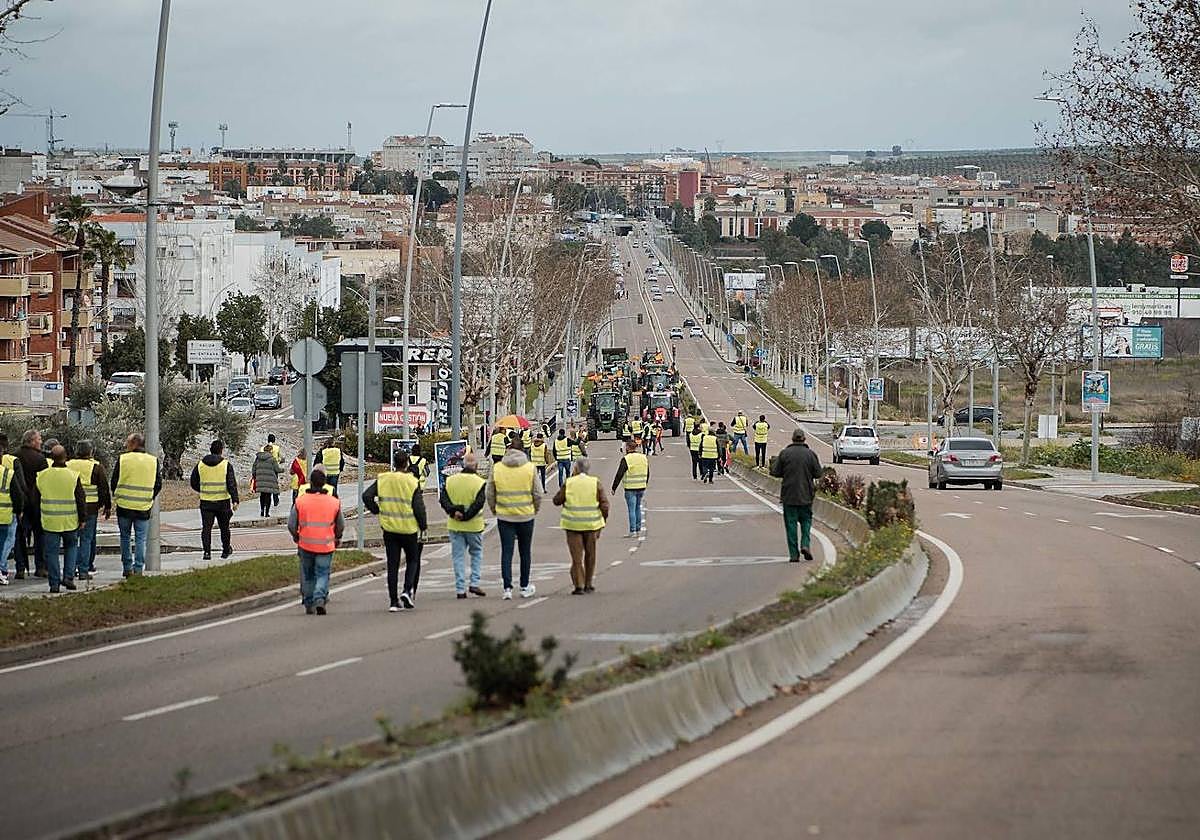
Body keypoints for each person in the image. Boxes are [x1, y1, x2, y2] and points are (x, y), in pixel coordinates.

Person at [364, 448, 427, 611]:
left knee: (393, 564)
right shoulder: (412, 481)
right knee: (413, 560)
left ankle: (393, 601)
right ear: (407, 464)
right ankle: (407, 590)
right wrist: (423, 525)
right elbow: (418, 507)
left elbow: (366, 495)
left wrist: (376, 510)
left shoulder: (383, 479)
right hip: (408, 528)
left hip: (389, 528)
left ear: (393, 463)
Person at [487, 438, 541, 599]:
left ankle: (507, 588)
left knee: (506, 551)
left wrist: (495, 509)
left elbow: (489, 493)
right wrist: (534, 510)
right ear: (523, 451)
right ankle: (524, 587)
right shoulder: (529, 468)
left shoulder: (497, 468)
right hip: (526, 515)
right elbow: (537, 493)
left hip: (505, 516)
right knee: (525, 552)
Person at [288, 467, 344, 614]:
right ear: (324, 483)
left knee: (308, 574)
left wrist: (296, 535)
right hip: (326, 545)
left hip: (305, 544)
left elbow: (291, 524)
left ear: (310, 483)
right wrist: (337, 537)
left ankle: (308, 601)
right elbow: (340, 525)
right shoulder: (333, 502)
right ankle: (319, 597)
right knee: (322, 573)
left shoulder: (300, 501)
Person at [32, 444, 86, 593]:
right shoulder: (73, 475)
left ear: (51, 458)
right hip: (70, 521)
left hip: (50, 521)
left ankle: (54, 584)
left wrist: (37, 519)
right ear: (65, 458)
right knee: (72, 547)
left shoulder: (42, 476)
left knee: (51, 553)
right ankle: (68, 577)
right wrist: (83, 518)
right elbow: (80, 499)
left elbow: (35, 500)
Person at [553, 457, 609, 595]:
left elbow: (557, 500)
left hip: (572, 525)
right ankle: (589, 584)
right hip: (591, 524)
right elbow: (604, 504)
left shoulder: (569, 483)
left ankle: (579, 585)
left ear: (576, 469)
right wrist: (603, 520)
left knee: (576, 557)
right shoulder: (595, 483)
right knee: (590, 555)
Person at [111, 433, 162, 577]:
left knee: (125, 537)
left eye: (128, 442)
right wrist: (149, 497)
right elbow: (158, 483)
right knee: (141, 539)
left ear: (134, 443)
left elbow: (114, 481)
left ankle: (127, 567)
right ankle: (138, 568)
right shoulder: (153, 461)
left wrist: (118, 495)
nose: (126, 445)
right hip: (143, 506)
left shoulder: (123, 459)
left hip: (124, 505)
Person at [439, 451, 487, 600]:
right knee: (476, 554)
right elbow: (478, 503)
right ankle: (474, 582)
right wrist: (466, 516)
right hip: (474, 525)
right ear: (476, 466)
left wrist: (454, 513)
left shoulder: (451, 481)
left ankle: (460, 588)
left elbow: (444, 500)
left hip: (455, 525)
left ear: (462, 465)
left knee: (458, 557)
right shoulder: (479, 483)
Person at [770, 428, 822, 563]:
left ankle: (794, 555)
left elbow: (775, 472)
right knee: (806, 521)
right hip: (806, 495)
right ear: (804, 439)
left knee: (791, 524)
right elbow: (818, 473)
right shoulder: (811, 454)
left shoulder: (785, 454)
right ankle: (805, 544)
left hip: (789, 495)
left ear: (792, 439)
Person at [66, 440, 111, 582]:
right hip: (90, 508)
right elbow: (104, 488)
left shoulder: (68, 464)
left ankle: (71, 569)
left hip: (71, 506)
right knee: (87, 539)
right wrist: (107, 506)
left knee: (73, 539)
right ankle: (84, 569)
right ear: (91, 452)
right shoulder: (96, 467)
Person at [189, 439, 239, 561]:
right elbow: (231, 484)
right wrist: (235, 499)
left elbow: (193, 482)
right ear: (221, 450)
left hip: (206, 502)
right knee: (224, 528)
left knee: (206, 528)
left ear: (210, 449)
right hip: (223, 502)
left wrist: (203, 490)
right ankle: (226, 550)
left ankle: (207, 552)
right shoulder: (226, 464)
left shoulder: (200, 464)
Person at [15, 429, 47, 579]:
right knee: (40, 536)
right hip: (37, 502)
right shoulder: (40, 459)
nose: (41, 441)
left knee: (20, 535)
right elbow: (45, 481)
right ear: (32, 441)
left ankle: (20, 567)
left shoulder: (15, 456)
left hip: (20, 501)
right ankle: (40, 566)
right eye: (39, 439)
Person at [611, 438, 649, 538]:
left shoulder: (626, 459)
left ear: (627, 447)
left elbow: (619, 474)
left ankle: (633, 531)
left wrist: (614, 487)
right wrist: (645, 483)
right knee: (637, 508)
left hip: (630, 488)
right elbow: (647, 472)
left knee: (631, 509)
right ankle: (638, 528)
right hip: (641, 486)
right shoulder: (643, 457)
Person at [0, 432, 24, 582]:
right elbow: (19, 490)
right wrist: (19, 509)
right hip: (6, 513)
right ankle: (2, 568)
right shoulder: (12, 464)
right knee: (6, 541)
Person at [253, 444, 284, 517]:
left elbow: (254, 467)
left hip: (260, 479)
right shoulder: (272, 459)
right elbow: (277, 469)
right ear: (270, 450)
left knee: (262, 495)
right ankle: (267, 512)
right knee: (268, 496)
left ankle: (262, 510)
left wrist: (255, 475)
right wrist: (282, 470)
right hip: (270, 480)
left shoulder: (258, 458)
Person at [266, 433, 283, 507]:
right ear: (274, 440)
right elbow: (280, 457)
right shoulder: (277, 448)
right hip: (274, 468)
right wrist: (278, 461)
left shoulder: (263, 448)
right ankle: (276, 500)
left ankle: (267, 499)